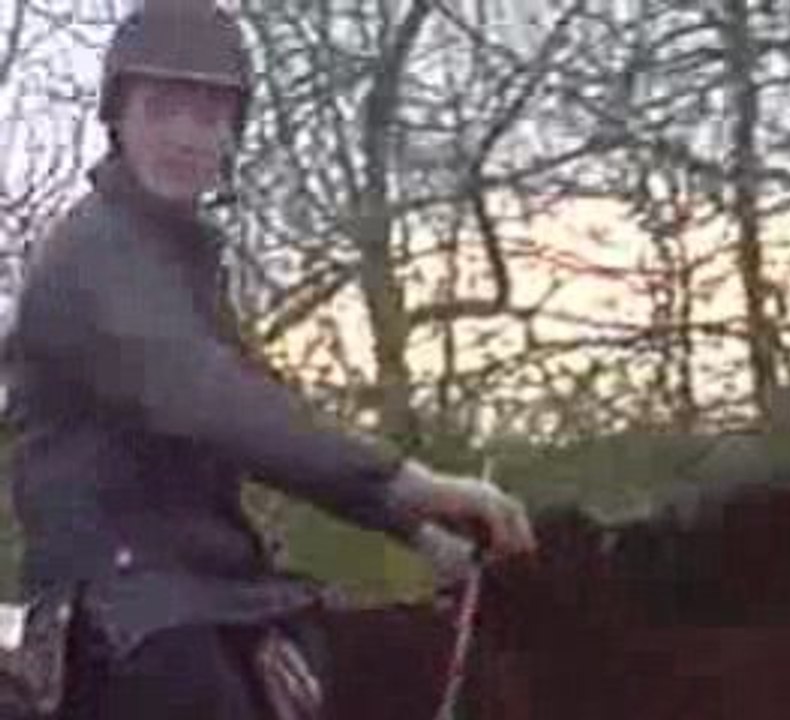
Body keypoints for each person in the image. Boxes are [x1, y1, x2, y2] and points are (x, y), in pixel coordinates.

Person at [2, 2, 535, 719]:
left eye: (208, 116)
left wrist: (416, 531)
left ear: (232, 133)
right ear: (118, 118)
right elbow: (215, 402)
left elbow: (274, 416)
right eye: (163, 110)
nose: (186, 136)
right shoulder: (94, 257)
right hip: (116, 598)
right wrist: (410, 482)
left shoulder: (184, 267)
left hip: (212, 585)